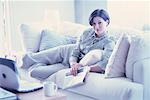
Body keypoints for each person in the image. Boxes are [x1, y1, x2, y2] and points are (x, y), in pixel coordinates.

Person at [21, 9, 115, 80]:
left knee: (34, 72)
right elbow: (76, 51)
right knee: (31, 58)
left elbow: (104, 64)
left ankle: (37, 64)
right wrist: (73, 63)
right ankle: (16, 63)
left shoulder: (109, 41)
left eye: (100, 23)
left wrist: (85, 68)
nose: (96, 27)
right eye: (93, 23)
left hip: (69, 66)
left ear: (107, 22)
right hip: (66, 52)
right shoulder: (87, 32)